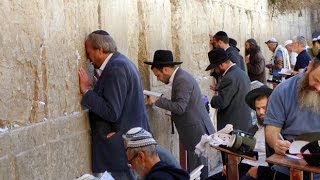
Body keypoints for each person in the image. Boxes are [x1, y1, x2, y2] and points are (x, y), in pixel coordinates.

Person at [78, 30, 150, 179]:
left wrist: (87, 91)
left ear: (100, 50)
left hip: (120, 147)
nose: (88, 58)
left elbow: (112, 111)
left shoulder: (116, 69)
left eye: (88, 52)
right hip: (126, 143)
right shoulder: (122, 62)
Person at [144, 50, 215, 178]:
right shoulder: (180, 77)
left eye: (158, 75)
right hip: (195, 131)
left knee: (198, 169)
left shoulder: (181, 80)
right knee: (198, 168)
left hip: (196, 132)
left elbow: (180, 107)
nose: (158, 79)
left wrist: (158, 100)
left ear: (165, 69)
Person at [264, 53, 320, 179]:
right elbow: (271, 130)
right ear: (310, 66)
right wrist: (276, 143)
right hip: (289, 166)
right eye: (316, 81)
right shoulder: (283, 91)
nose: (319, 88)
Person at [208, 82, 274, 180]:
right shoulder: (254, 129)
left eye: (264, 108)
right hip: (243, 166)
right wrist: (230, 165)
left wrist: (260, 172)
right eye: (258, 109)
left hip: (261, 171)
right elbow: (241, 151)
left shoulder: (279, 131)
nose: (261, 112)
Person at [206, 48, 251, 131]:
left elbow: (222, 103)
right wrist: (220, 89)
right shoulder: (241, 73)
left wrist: (210, 100)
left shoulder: (229, 77)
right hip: (243, 123)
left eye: (215, 68)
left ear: (221, 65)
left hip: (233, 126)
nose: (215, 71)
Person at [124, 127, 190, 180]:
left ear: (141, 156)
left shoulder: (157, 177)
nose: (132, 167)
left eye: (131, 162)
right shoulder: (168, 171)